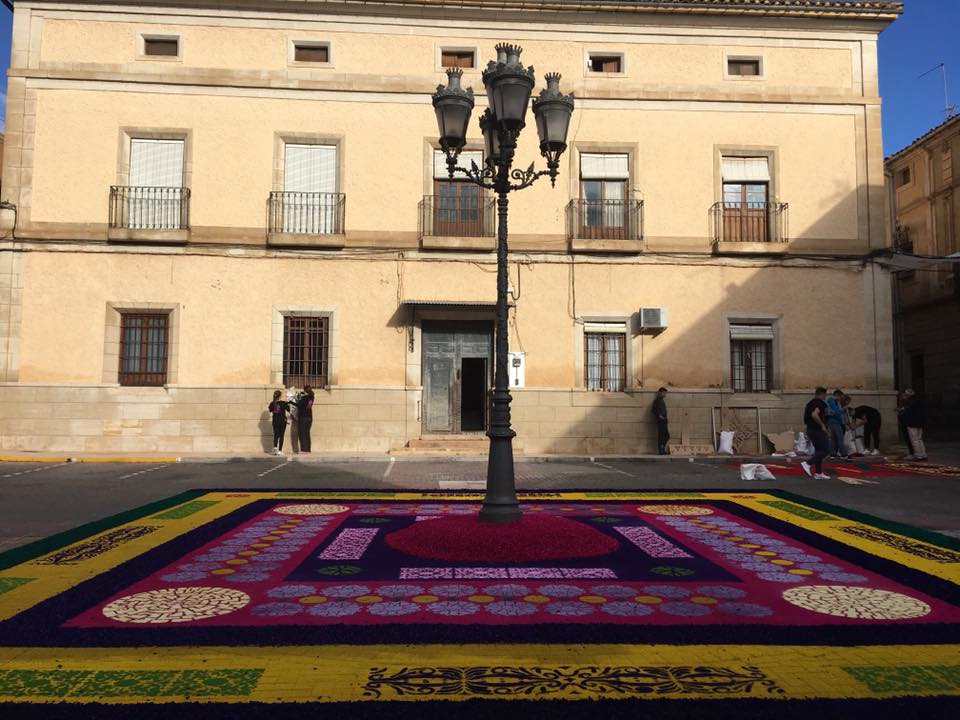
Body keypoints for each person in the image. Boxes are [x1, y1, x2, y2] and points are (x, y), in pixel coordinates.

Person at [802, 387, 831, 480]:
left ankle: (818, 473)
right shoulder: (820, 403)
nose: (825, 397)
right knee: (826, 450)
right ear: (822, 394)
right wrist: (822, 425)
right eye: (825, 395)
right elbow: (814, 415)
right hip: (817, 430)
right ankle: (808, 463)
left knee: (819, 451)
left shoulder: (810, 403)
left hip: (811, 429)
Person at [898, 388, 927, 461]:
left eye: (905, 395)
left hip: (912, 423)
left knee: (915, 440)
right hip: (919, 423)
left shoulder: (910, 403)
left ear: (908, 395)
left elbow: (908, 413)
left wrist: (901, 412)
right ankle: (923, 454)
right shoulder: (918, 401)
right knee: (919, 439)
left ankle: (918, 455)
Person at [826, 389, 847, 459]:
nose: (841, 399)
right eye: (841, 397)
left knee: (833, 439)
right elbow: (834, 412)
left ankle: (833, 454)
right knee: (839, 438)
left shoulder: (832, 401)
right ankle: (844, 454)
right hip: (835, 422)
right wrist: (842, 410)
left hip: (832, 422)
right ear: (838, 395)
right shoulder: (832, 401)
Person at [267, 390, 290, 456]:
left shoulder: (272, 403)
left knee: (276, 435)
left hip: (275, 421)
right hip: (282, 421)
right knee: (281, 436)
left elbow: (270, 410)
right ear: (280, 396)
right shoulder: (283, 403)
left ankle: (275, 448)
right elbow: (289, 410)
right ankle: (280, 451)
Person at [296, 384, 315, 453]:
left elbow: (298, 405)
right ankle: (308, 449)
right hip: (309, 417)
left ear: (305, 390)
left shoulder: (304, 398)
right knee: (307, 433)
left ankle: (304, 449)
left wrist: (292, 401)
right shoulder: (312, 397)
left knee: (302, 433)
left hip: (303, 417)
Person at [651, 387, 670, 455]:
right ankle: (661, 450)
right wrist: (659, 416)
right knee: (662, 436)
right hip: (660, 420)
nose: (665, 394)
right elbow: (653, 410)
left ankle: (662, 449)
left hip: (664, 420)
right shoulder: (657, 400)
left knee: (666, 435)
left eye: (665, 393)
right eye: (664, 393)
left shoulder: (661, 400)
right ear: (660, 393)